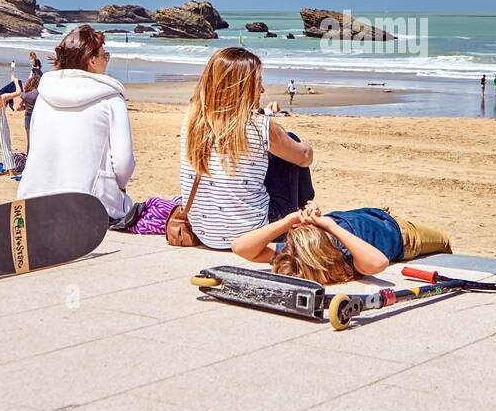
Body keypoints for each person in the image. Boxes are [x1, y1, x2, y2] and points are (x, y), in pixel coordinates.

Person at [179, 46, 313, 250]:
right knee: (291, 141)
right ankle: (306, 208)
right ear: (242, 88)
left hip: (206, 233)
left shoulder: (191, 121)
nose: (262, 90)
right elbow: (304, 157)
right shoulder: (261, 127)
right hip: (253, 234)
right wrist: (281, 134)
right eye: (258, 83)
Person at [17, 25, 136, 221]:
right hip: (94, 204)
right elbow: (123, 163)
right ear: (92, 60)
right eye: (104, 56)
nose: (106, 61)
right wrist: (120, 187)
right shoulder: (111, 99)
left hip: (35, 197)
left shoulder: (44, 94)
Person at [232, 202, 452, 284]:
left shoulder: (296, 252)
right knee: (444, 242)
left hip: (375, 214)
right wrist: (331, 226)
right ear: (325, 252)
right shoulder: (346, 260)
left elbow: (240, 247)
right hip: (405, 235)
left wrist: (290, 220)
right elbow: (379, 263)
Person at [17, 72, 41, 152]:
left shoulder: (26, 95)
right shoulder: (40, 94)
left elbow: (18, 108)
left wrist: (26, 107)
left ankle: (28, 159)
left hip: (28, 117)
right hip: (38, 117)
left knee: (29, 141)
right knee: (38, 140)